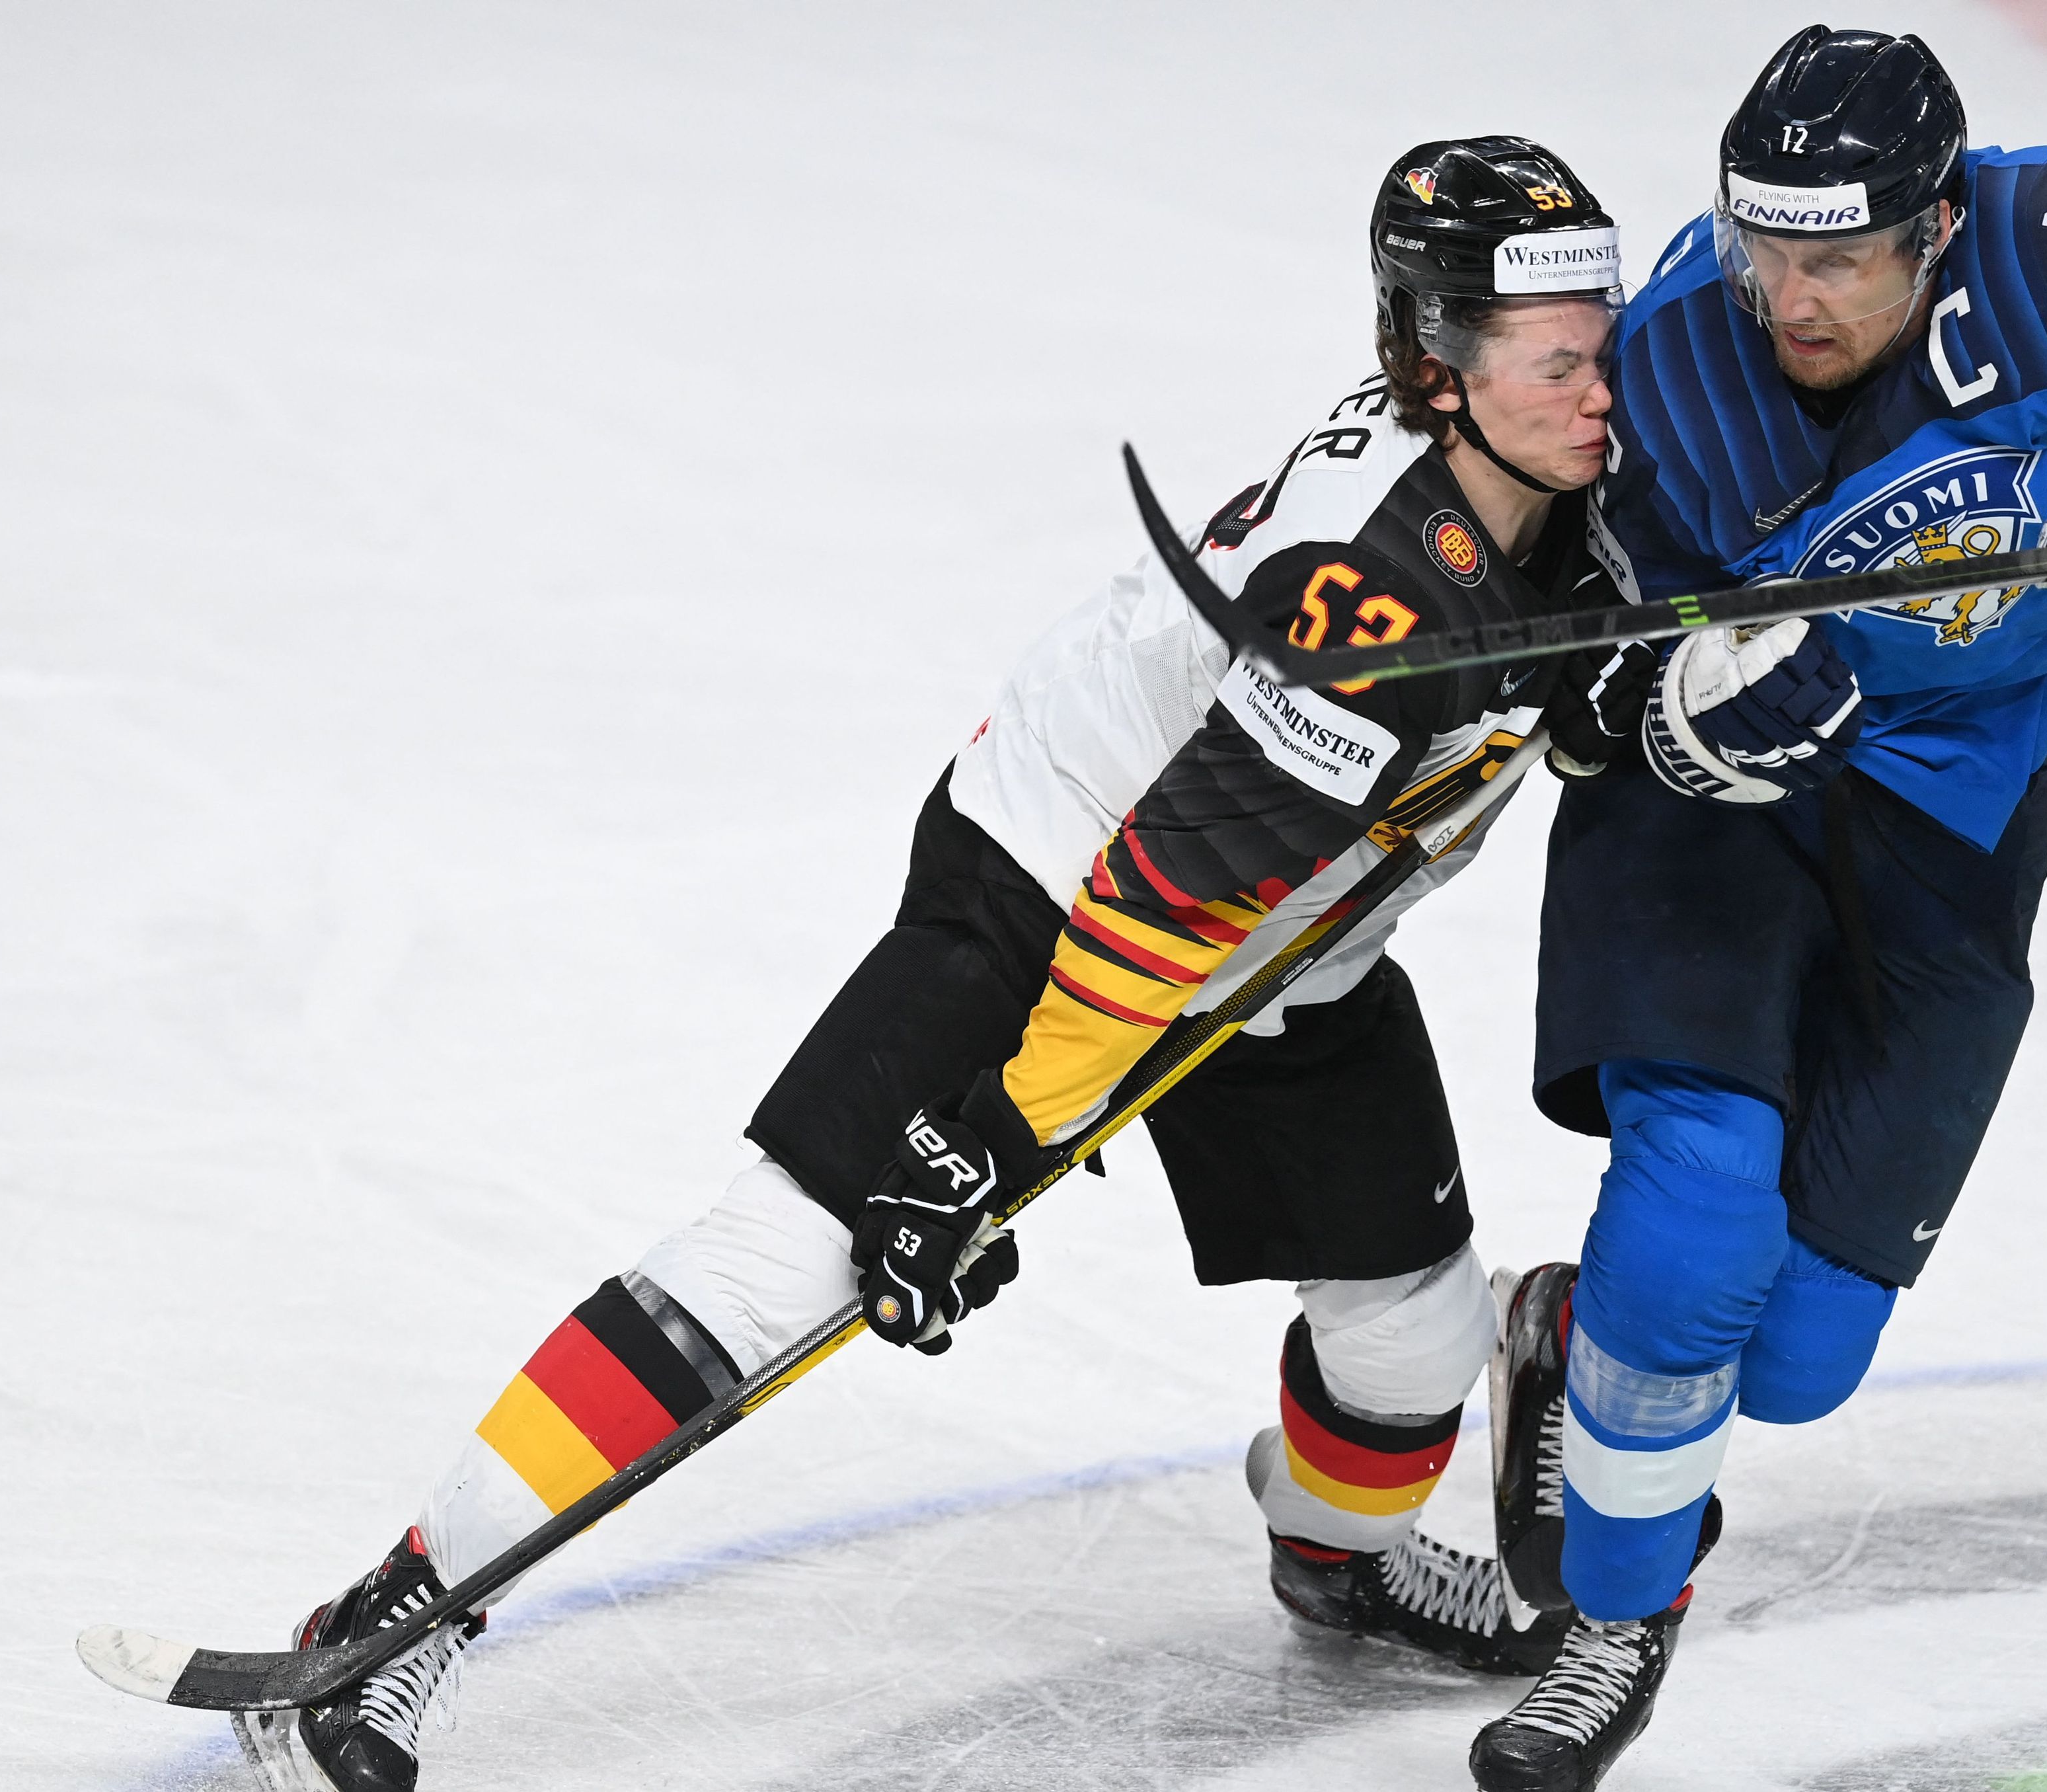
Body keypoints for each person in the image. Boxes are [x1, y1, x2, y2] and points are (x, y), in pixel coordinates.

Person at [237, 136, 1634, 1792]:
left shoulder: (1578, 460)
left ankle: (1330, 1562)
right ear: (1431, 366)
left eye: (1605, 334)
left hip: (1286, 952)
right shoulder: (1362, 586)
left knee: (1410, 1346)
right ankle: (384, 1629)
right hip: (1057, 885)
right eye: (1559, 358)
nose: (1602, 384)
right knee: (775, 1267)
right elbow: (1156, 897)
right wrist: (975, 1138)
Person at [1474, 26, 2047, 1792]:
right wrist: (1686, 701)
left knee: (1798, 1360)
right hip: (1715, 812)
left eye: (1838, 258)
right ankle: (1616, 1620)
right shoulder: (1662, 366)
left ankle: (1569, 1340)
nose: (1787, 297)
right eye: (1761, 246)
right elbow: (1584, 685)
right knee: (1703, 1206)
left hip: (1953, 815)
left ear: (1939, 226)